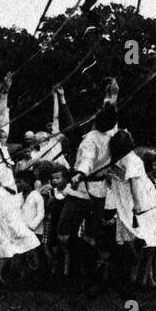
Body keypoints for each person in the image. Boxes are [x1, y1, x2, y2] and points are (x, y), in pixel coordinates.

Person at [60, 77, 121, 287]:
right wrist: (112, 94)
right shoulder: (112, 133)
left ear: (97, 119)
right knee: (90, 234)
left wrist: (78, 175)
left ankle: (87, 266)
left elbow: (86, 161)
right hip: (100, 192)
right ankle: (91, 267)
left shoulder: (91, 139)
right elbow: (110, 111)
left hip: (82, 191)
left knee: (63, 234)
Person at [0, 121, 41, 287]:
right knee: (10, 236)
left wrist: (3, 97)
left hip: (6, 202)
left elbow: (2, 123)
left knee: (6, 238)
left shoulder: (2, 152)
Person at [106, 129, 156, 290]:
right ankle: (143, 278)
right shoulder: (131, 159)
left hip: (125, 198)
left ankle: (145, 277)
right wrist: (138, 204)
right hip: (140, 198)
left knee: (143, 239)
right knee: (149, 237)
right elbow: (134, 183)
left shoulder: (116, 158)